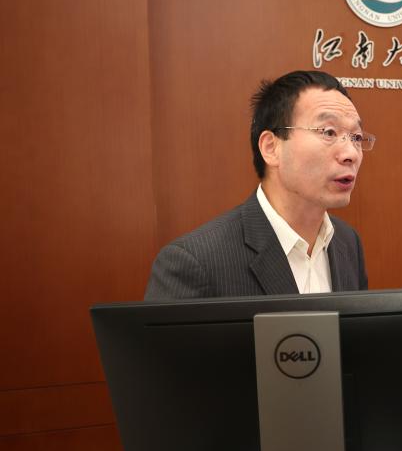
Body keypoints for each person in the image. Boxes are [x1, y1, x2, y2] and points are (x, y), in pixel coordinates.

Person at [145, 70, 372, 300]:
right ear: (271, 148)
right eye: (329, 132)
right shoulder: (195, 262)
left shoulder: (347, 242)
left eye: (356, 137)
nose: (351, 153)